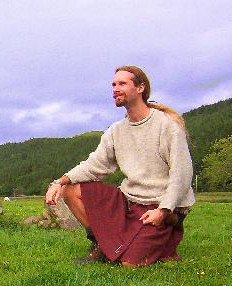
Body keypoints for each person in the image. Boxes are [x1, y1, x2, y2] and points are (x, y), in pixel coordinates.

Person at [45, 65, 195, 267]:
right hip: (130, 199)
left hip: (161, 204)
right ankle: (101, 244)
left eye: (122, 83)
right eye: (113, 84)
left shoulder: (166, 125)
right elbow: (94, 165)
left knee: (129, 263)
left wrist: (164, 210)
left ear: (140, 88)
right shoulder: (116, 130)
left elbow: (182, 173)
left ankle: (169, 226)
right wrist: (59, 182)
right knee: (70, 190)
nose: (115, 88)